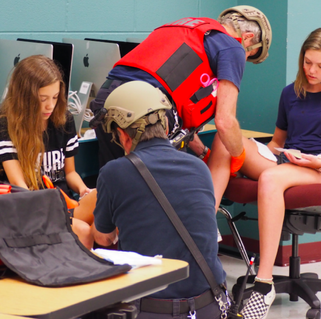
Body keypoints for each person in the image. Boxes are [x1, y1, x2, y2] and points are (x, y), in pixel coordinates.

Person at [209, 28, 321, 319]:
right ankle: (207, 221)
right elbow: (278, 142)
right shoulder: (290, 93)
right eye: (307, 62)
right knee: (225, 136)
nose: (312, 70)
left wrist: (318, 162)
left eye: (320, 65)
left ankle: (264, 283)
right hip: (287, 164)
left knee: (270, 178)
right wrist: (272, 152)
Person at [92, 80, 228, 319]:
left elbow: (103, 237)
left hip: (150, 309)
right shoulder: (199, 167)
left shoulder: (114, 172)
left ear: (123, 135)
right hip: (210, 305)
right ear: (165, 125)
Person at [90, 6, 272, 171]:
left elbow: (180, 111)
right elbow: (225, 121)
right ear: (247, 37)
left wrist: (202, 152)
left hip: (106, 100)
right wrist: (238, 154)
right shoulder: (233, 47)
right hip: (146, 111)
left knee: (113, 183)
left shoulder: (187, 28)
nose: (244, 59)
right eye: (249, 54)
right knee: (156, 194)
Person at [0, 55, 95, 248]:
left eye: (55, 97)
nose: (50, 105)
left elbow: (70, 173)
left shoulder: (64, 120)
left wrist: (83, 190)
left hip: (64, 203)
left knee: (103, 200)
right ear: (25, 98)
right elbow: (18, 184)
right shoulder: (6, 126)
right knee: (85, 231)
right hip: (34, 209)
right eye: (43, 99)